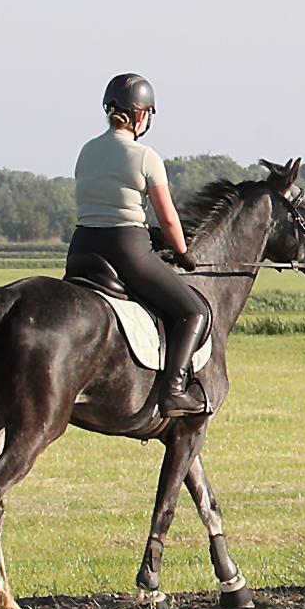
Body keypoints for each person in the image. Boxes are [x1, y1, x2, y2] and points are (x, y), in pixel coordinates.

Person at [66, 72, 213, 419]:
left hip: (83, 247)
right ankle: (174, 391)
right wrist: (182, 252)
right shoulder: (146, 156)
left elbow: (103, 202)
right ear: (141, 114)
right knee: (196, 312)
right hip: (126, 249)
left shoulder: (86, 151)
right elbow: (170, 219)